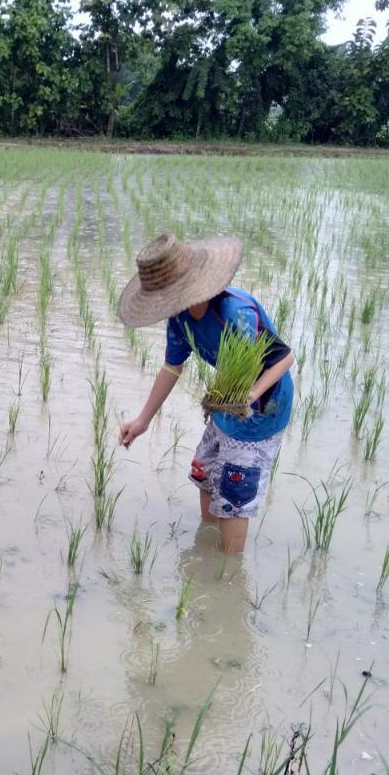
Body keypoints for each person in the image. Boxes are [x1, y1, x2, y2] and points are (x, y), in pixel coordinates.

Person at [116, 234, 294, 554]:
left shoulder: (234, 311)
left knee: (234, 492)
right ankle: (207, 546)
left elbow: (284, 358)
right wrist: (143, 420)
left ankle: (227, 570)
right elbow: (172, 368)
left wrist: (251, 393)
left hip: (262, 409)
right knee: (205, 471)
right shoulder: (181, 319)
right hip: (227, 400)